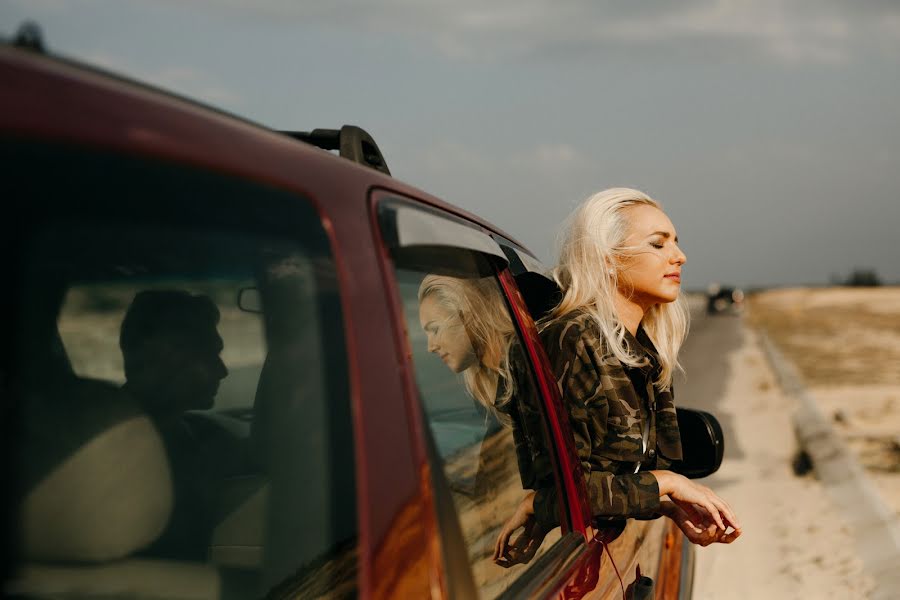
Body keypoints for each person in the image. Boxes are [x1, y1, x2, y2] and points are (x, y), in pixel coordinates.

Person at [494, 188, 742, 565]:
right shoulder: (572, 339)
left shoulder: (643, 348)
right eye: (658, 245)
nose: (679, 256)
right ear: (608, 259)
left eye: (676, 243)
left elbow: (615, 481)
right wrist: (669, 484)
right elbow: (568, 492)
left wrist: (669, 507)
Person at [119, 289, 229, 560]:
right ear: (166, 357)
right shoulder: (118, 452)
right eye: (209, 355)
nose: (222, 370)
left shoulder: (184, 433)